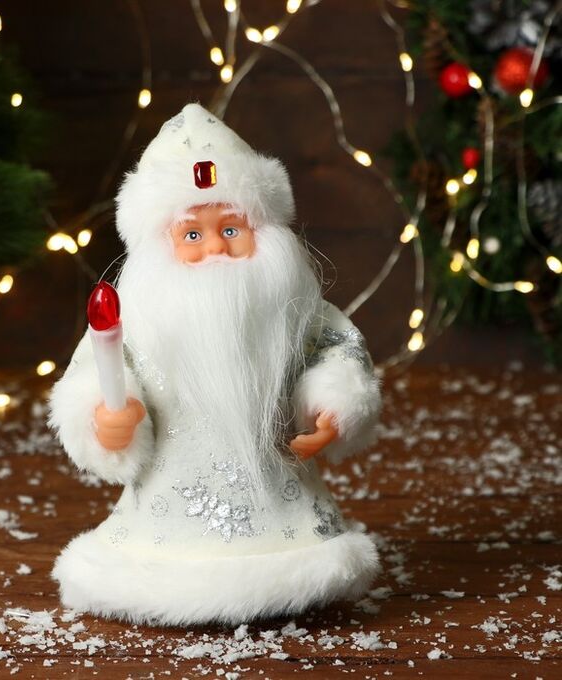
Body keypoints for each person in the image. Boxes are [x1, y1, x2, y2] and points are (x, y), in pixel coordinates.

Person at [49, 103, 381, 625]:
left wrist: (332, 405)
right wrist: (106, 418)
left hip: (284, 513)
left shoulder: (293, 308)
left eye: (231, 229)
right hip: (164, 516)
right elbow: (98, 370)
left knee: (291, 542)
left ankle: (286, 578)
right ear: (162, 242)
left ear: (262, 231)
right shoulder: (139, 314)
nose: (215, 248)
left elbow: (337, 350)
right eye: (192, 235)